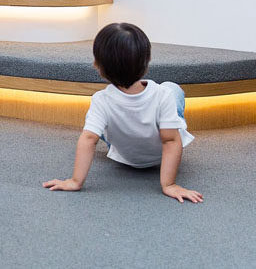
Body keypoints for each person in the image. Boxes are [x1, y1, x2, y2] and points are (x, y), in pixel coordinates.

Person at [43, 22, 202, 204]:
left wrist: (75, 181)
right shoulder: (162, 95)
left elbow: (88, 140)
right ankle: (173, 124)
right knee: (173, 89)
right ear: (147, 61)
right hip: (160, 154)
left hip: (125, 156)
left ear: (98, 67)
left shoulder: (101, 100)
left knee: (95, 125)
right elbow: (171, 140)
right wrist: (169, 184)